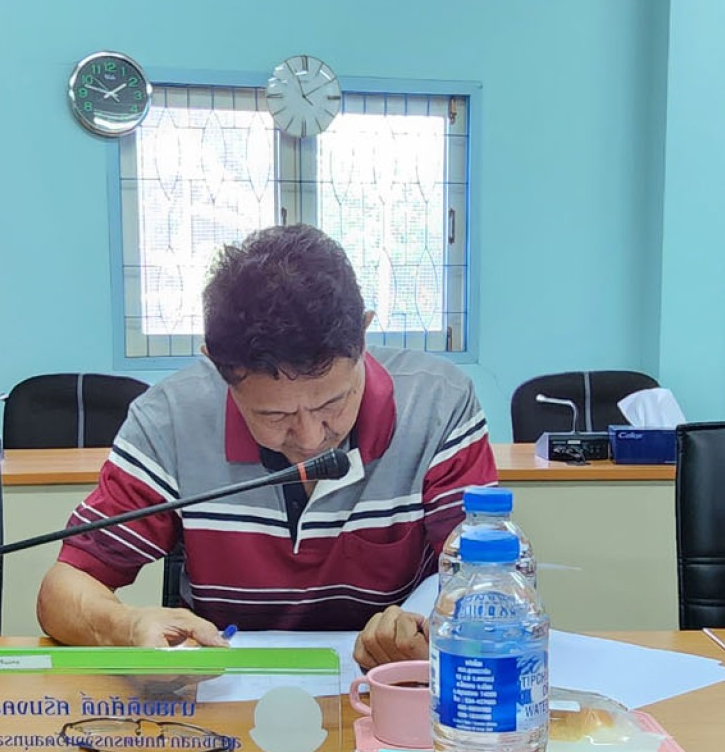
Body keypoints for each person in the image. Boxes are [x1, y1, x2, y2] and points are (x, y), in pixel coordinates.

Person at [36, 224, 497, 670]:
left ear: (364, 334)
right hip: (222, 691)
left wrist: (428, 630)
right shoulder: (169, 419)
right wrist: (126, 626)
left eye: (332, 403)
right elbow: (64, 587)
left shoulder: (438, 405)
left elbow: (487, 581)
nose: (311, 438)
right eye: (274, 416)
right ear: (217, 368)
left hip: (387, 689)